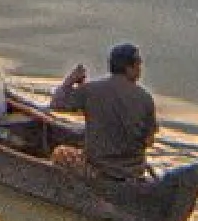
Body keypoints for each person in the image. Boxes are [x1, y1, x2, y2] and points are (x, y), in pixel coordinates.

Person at [51, 42, 158, 181]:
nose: (140, 69)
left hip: (100, 170)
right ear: (129, 68)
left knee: (59, 153)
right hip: (133, 172)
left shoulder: (91, 90)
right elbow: (149, 141)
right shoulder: (146, 98)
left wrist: (70, 81)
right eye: (138, 64)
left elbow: (56, 104)